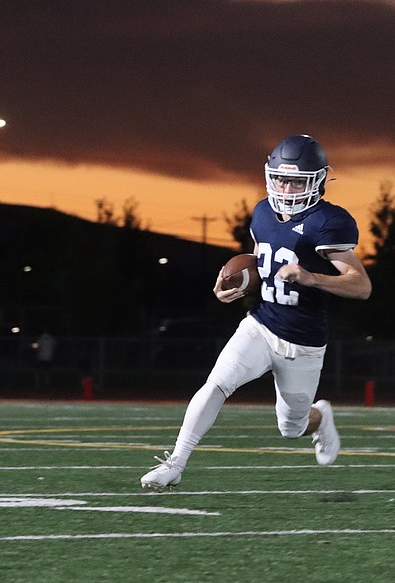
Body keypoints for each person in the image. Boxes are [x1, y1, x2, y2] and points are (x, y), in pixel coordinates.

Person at [140, 134, 372, 491]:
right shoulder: (262, 212)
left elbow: (361, 285)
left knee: (291, 427)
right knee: (217, 383)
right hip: (260, 324)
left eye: (297, 180)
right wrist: (238, 284)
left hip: (303, 342)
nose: (287, 187)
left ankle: (320, 416)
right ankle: (175, 463)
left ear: (318, 181)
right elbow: (261, 262)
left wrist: (311, 277)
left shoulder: (328, 222)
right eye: (280, 178)